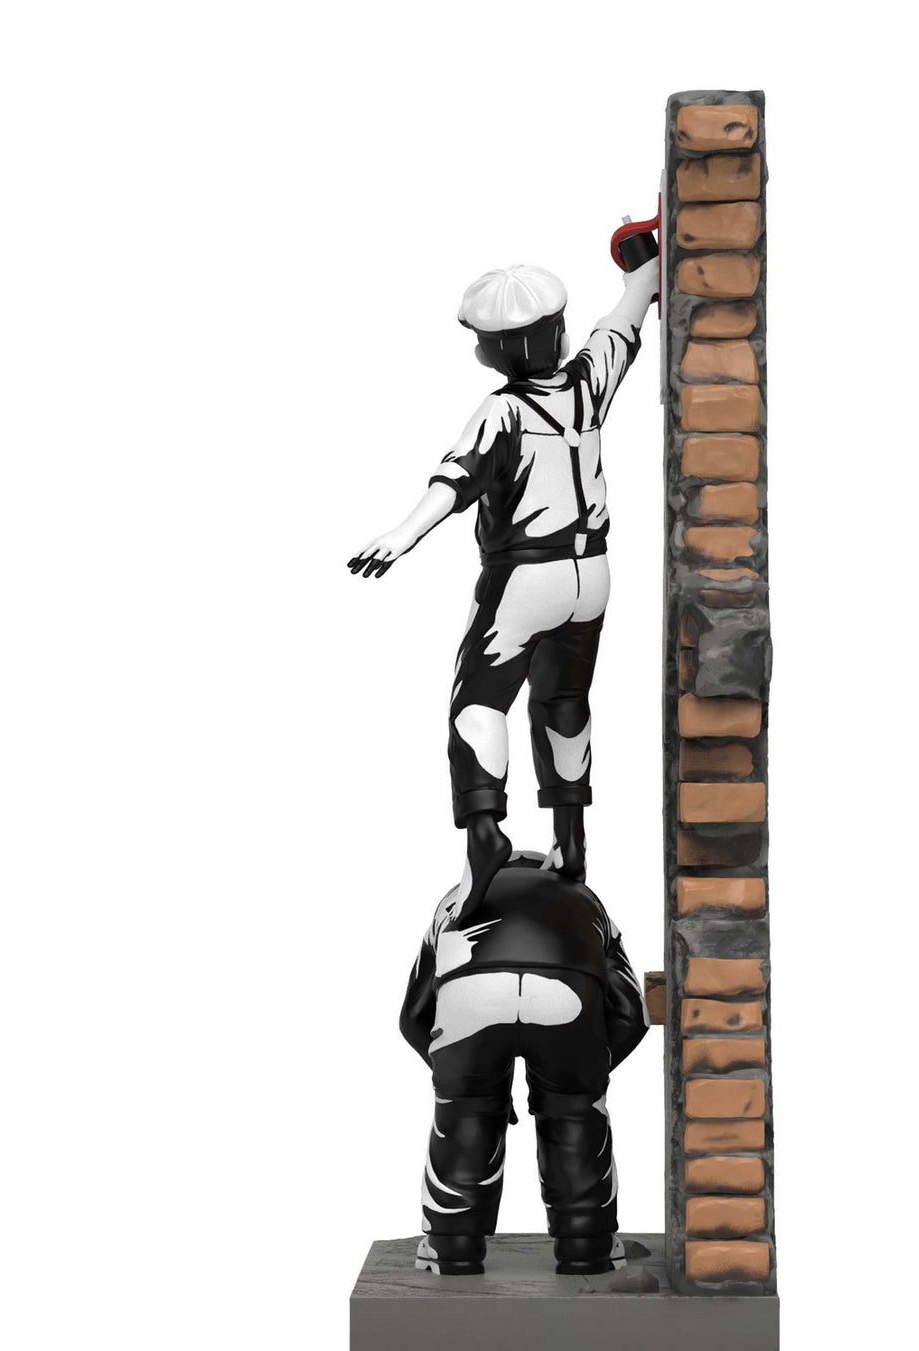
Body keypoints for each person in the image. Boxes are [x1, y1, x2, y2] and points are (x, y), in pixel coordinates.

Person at [349, 258, 660, 919]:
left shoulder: (503, 410)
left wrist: (402, 534)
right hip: (592, 573)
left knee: (479, 699)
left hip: (522, 575)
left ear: (497, 351)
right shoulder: (588, 383)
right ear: (556, 332)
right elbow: (623, 320)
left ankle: (484, 834)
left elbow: (455, 478)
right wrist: (645, 268)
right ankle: (571, 840)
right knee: (564, 699)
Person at [398, 852, 648, 1275]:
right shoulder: (587, 900)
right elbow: (632, 1013)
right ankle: (588, 1246)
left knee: (465, 1116)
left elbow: (412, 1017)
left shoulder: (453, 902)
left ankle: (450, 1246)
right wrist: (586, 1076)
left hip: (470, 994)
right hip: (566, 995)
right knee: (574, 1115)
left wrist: (460, 1082)